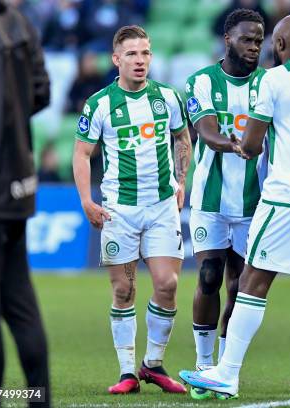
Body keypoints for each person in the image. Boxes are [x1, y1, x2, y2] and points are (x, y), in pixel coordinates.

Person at [180, 15, 290, 404]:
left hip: (288, 196)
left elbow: (254, 143)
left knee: (251, 283)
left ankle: (226, 373)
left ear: (278, 45)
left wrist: (248, 145)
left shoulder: (273, 81)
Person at [72, 25, 191, 395]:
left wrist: (182, 180)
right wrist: (86, 201)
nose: (140, 61)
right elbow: (81, 153)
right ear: (116, 59)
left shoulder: (169, 97)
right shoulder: (100, 103)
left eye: (145, 53)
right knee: (123, 291)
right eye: (132, 54)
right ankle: (127, 373)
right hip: (119, 211)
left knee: (168, 284)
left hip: (160, 207)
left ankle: (152, 365)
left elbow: (182, 139)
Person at [0, 0, 51, 406]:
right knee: (20, 306)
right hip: (19, 180)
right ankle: (37, 399)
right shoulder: (22, 24)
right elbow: (41, 93)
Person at [184, 8, 266, 400]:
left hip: (255, 202)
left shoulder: (269, 83)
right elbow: (206, 132)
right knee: (209, 278)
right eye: (247, 39)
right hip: (210, 201)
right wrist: (239, 145)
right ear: (227, 39)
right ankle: (203, 365)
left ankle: (224, 367)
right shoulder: (200, 81)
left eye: (259, 40)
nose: (254, 46)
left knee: (240, 287)